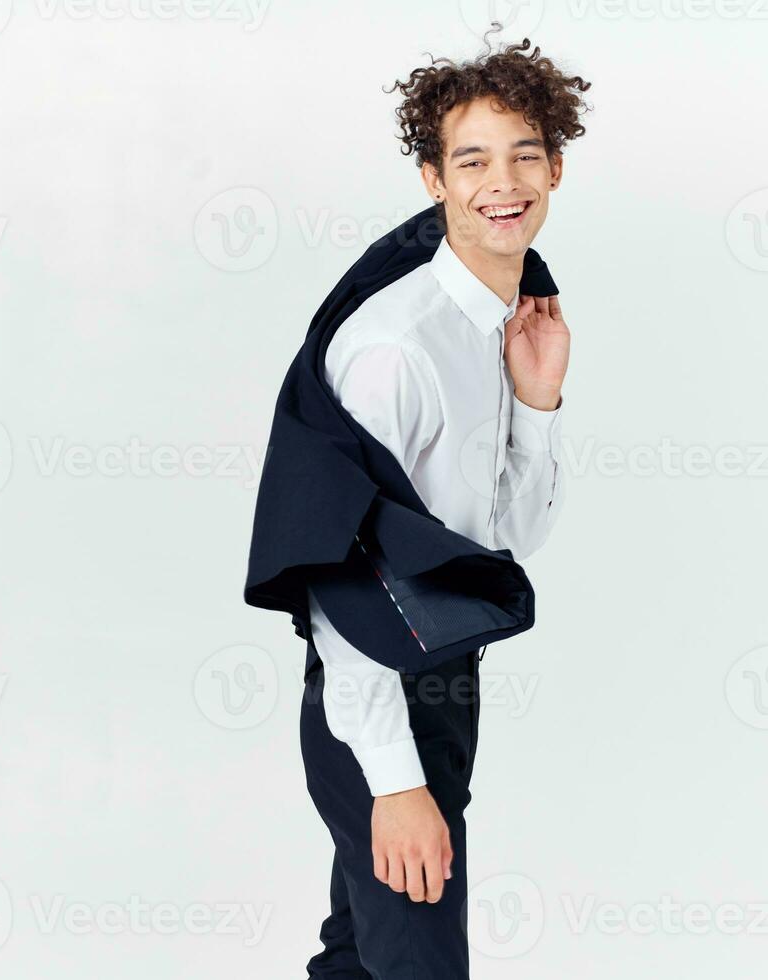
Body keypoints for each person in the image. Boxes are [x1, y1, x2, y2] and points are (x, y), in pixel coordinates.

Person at [295, 38, 592, 978]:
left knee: (362, 956)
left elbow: (507, 542)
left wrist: (537, 404)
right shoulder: (397, 348)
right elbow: (337, 576)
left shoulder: (502, 322)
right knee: (419, 964)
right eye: (472, 159)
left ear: (556, 166)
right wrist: (394, 782)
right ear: (434, 178)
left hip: (447, 677)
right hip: (375, 700)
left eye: (524, 154)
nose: (502, 183)